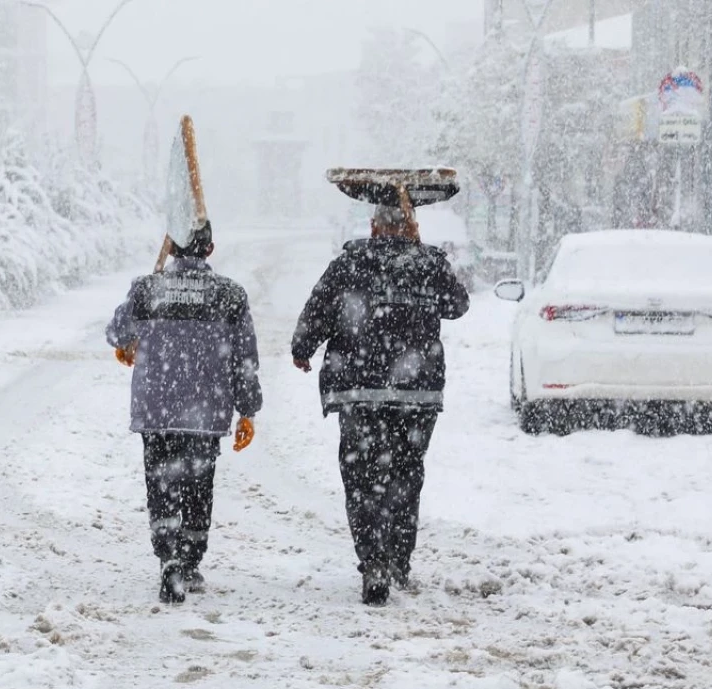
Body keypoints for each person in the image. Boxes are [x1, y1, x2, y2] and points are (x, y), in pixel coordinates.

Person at [290, 204, 469, 606]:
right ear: (412, 227)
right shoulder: (429, 263)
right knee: (406, 474)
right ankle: (398, 559)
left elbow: (318, 309)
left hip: (359, 390)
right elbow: (458, 305)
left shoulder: (350, 264)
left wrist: (302, 348)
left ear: (373, 226)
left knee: (361, 478)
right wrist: (423, 254)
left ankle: (373, 559)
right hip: (416, 394)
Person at [107, 221, 263, 604]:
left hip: (157, 408)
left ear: (171, 247)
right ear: (210, 249)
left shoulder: (148, 287)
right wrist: (247, 410)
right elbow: (244, 358)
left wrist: (138, 314)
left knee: (161, 484)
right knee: (198, 485)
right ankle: (190, 560)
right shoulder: (230, 294)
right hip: (205, 412)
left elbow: (115, 331)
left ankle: (168, 558)